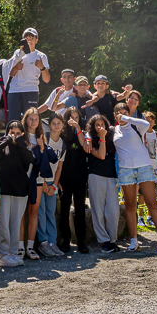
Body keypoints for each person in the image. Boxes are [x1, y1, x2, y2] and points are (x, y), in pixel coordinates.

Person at [111, 102, 157, 252]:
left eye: (124, 112)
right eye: (118, 113)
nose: (121, 115)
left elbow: (146, 123)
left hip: (144, 167)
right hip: (126, 170)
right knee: (130, 205)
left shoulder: (136, 126)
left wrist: (128, 118)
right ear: (114, 115)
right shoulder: (113, 130)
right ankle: (134, 241)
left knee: (152, 203)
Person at [0, 121, 34, 267]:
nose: (14, 136)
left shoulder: (24, 146)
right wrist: (8, 140)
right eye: (12, 132)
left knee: (16, 223)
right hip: (3, 190)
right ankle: (2, 254)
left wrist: (20, 143)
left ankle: (13, 252)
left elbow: (31, 159)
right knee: (2, 222)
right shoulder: (2, 143)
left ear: (22, 134)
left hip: (20, 190)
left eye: (18, 133)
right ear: (7, 132)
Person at [22, 108, 57, 259]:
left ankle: (30, 247)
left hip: (36, 179)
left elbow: (45, 162)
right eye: (30, 119)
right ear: (26, 120)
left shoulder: (41, 136)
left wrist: (42, 147)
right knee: (21, 214)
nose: (33, 122)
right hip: (22, 178)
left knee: (34, 212)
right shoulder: (21, 136)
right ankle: (19, 247)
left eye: (36, 119)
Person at [57, 107, 90, 253]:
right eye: (71, 117)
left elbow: (83, 145)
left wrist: (78, 128)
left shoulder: (83, 133)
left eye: (76, 117)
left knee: (80, 209)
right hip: (64, 178)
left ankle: (81, 241)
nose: (74, 120)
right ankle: (66, 240)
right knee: (64, 210)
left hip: (80, 177)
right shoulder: (62, 134)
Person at [86, 114, 120, 255]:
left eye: (102, 124)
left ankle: (112, 239)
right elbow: (101, 154)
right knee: (98, 210)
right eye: (97, 125)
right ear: (93, 127)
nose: (101, 127)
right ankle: (104, 241)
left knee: (113, 211)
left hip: (112, 176)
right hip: (96, 176)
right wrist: (102, 137)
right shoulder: (91, 140)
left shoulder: (112, 136)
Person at [6, 27, 51, 120]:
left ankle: (30, 135)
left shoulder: (41, 56)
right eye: (27, 39)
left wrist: (42, 67)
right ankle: (12, 134)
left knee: (30, 119)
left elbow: (47, 80)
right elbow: (9, 74)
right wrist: (16, 67)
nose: (29, 41)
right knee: (13, 119)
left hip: (31, 90)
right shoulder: (17, 53)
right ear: (23, 40)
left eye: (32, 38)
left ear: (36, 41)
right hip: (15, 90)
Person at [37, 113, 65, 256]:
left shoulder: (63, 144)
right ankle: (43, 242)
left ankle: (52, 242)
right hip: (41, 180)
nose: (56, 126)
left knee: (50, 212)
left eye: (58, 123)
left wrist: (54, 184)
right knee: (40, 212)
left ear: (62, 125)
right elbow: (41, 161)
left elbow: (59, 166)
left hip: (52, 182)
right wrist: (43, 182)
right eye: (53, 123)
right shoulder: (45, 138)